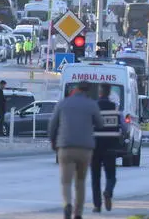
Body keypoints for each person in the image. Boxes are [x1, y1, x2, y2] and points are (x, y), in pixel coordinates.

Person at [49, 81, 103, 219]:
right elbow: (100, 123)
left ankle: (67, 204)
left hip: (65, 146)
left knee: (66, 181)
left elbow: (52, 125)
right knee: (80, 181)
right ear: (88, 91)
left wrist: (53, 141)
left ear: (76, 89)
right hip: (85, 148)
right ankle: (78, 213)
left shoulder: (63, 103)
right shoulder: (92, 104)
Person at [91, 84, 121, 213]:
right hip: (110, 146)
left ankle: (97, 206)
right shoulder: (115, 107)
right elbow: (122, 126)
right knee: (111, 176)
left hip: (95, 146)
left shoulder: (94, 107)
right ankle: (108, 191)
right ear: (109, 93)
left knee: (95, 177)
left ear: (100, 92)